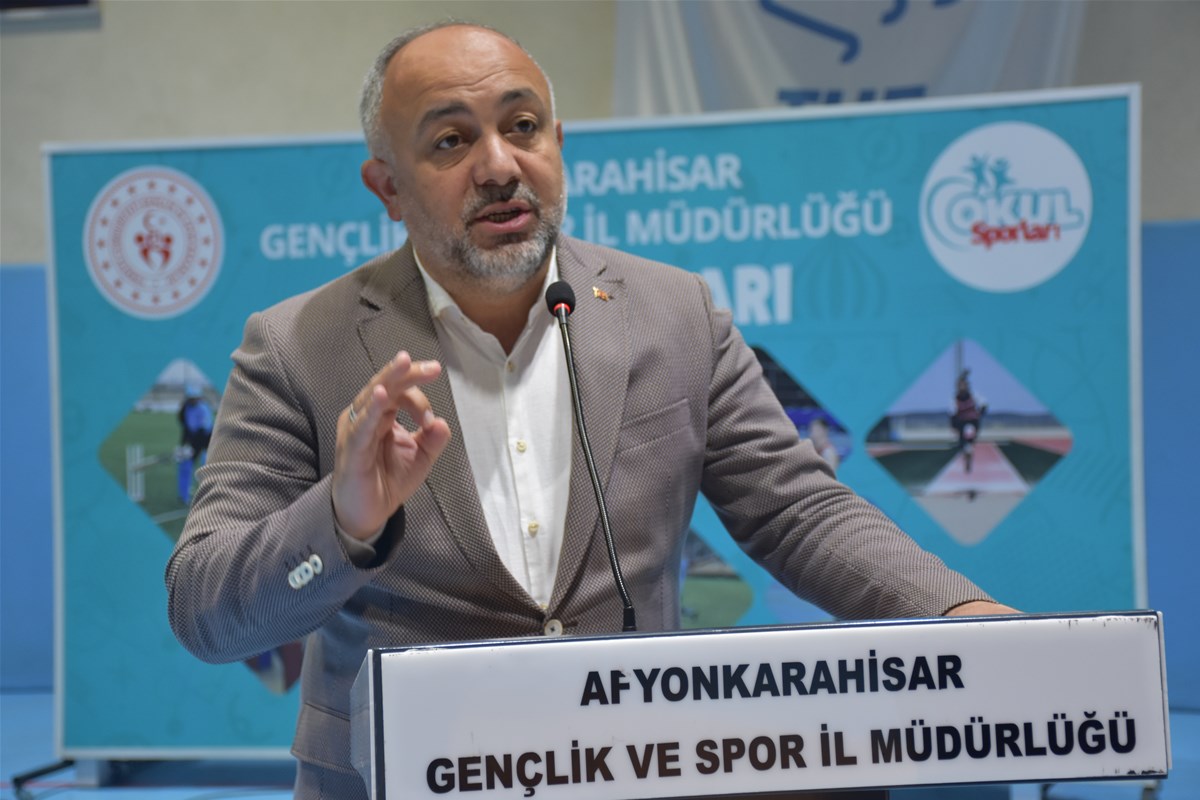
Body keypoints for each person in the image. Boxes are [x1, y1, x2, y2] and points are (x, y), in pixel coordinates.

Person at [166, 22, 1015, 799]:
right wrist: (343, 521)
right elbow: (208, 613)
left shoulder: (675, 313)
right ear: (386, 185)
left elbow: (796, 512)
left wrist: (956, 617)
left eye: (523, 126)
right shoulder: (296, 347)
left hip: (634, 770)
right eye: (451, 140)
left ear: (559, 145)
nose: (499, 166)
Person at [176, 384, 213, 504]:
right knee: (185, 466)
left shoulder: (203, 408)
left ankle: (208, 496)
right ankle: (184, 495)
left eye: (195, 398)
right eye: (191, 398)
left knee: (206, 468)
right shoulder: (186, 408)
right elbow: (185, 427)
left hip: (205, 441)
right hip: (192, 440)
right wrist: (183, 446)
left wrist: (192, 447)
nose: (193, 400)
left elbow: (204, 430)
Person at [950, 369, 988, 473]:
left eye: (964, 385)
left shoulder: (974, 395)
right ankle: (967, 454)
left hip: (972, 422)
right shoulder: (955, 399)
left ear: (967, 386)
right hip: (961, 423)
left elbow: (984, 405)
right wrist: (954, 426)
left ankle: (968, 451)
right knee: (962, 444)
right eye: (960, 386)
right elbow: (952, 414)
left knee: (969, 437)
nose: (962, 387)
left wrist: (980, 413)